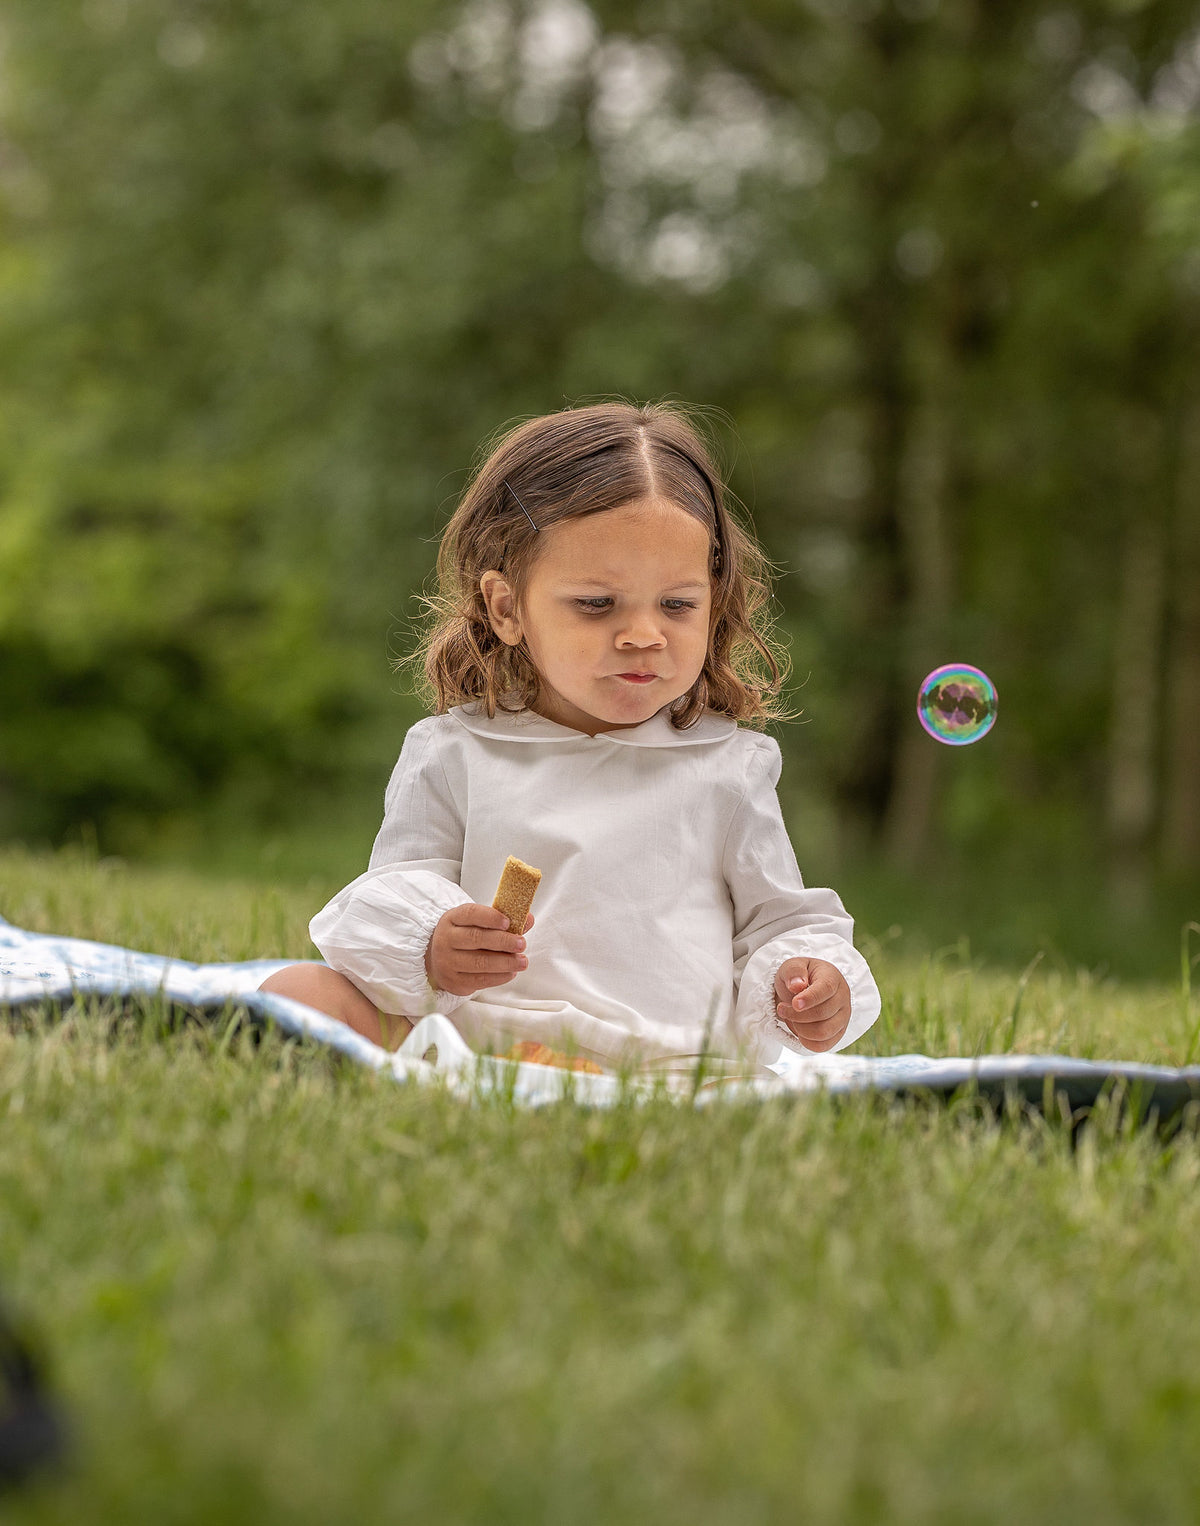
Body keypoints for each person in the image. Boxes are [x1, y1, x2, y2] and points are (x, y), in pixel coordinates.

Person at [259, 401, 880, 1072]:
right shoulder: (456, 752)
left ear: (715, 600)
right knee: (297, 994)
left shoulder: (728, 768)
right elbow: (400, 887)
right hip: (483, 1050)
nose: (643, 634)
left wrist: (808, 982)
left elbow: (779, 923)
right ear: (507, 607)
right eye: (596, 604)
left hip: (664, 1066)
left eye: (677, 604)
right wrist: (431, 944)